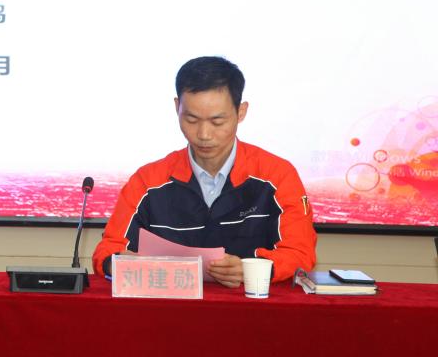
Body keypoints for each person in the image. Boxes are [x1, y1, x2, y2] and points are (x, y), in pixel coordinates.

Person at [93, 56, 316, 286]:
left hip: (250, 305)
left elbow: (300, 253)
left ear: (241, 112)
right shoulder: (148, 181)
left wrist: (252, 269)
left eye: (217, 122)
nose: (204, 134)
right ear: (177, 107)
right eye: (191, 119)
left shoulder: (277, 176)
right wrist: (118, 262)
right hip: (171, 305)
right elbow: (107, 250)